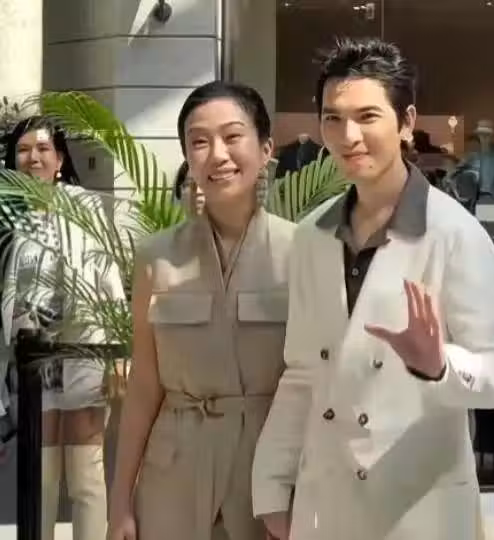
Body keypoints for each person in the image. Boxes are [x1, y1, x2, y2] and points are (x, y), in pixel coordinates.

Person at [252, 38, 494, 540]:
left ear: (406, 121)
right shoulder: (311, 236)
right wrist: (271, 486)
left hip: (421, 505)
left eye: (367, 116)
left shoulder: (455, 234)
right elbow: (303, 371)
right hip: (327, 502)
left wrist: (438, 364)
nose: (348, 136)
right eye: (333, 119)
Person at [108, 81, 296, 540]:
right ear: (187, 159)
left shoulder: (303, 252)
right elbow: (144, 387)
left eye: (232, 137)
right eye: (199, 142)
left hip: (266, 478)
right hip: (173, 476)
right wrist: (120, 504)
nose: (217, 154)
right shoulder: (156, 257)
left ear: (265, 149)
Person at [1, 116, 125, 540]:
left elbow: (107, 275)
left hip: (82, 350)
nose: (32, 157)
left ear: (59, 160)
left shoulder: (83, 206)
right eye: (22, 150)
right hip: (32, 359)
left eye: (42, 149)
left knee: (86, 472)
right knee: (41, 472)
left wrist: (116, 351)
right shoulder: (11, 214)